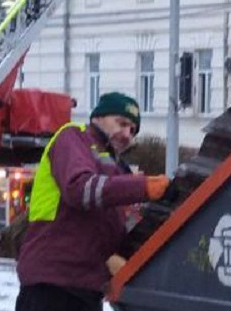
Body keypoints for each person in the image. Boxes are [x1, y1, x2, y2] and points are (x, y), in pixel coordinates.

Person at [15, 92, 170, 311]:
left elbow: (108, 225)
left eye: (132, 130)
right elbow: (79, 188)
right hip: (53, 286)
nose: (127, 134)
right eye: (121, 123)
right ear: (98, 117)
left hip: (84, 289)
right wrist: (142, 187)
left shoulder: (116, 168)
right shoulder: (73, 138)